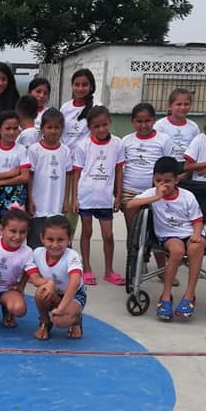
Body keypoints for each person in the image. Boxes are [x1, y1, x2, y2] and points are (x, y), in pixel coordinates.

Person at [127, 157, 205, 321]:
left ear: (177, 180)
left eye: (168, 181)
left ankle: (189, 295)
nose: (163, 184)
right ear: (153, 180)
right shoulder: (152, 193)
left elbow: (197, 220)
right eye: (158, 180)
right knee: (177, 251)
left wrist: (197, 234)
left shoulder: (187, 196)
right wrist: (156, 198)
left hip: (190, 231)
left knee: (196, 247)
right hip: (169, 235)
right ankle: (166, 294)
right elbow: (130, 204)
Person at [72, 105, 125, 285]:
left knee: (108, 235)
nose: (101, 129)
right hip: (86, 196)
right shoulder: (83, 146)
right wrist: (75, 198)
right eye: (96, 126)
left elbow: (119, 170)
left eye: (104, 125)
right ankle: (86, 269)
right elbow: (77, 173)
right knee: (86, 232)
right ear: (90, 127)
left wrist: (118, 195)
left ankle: (109, 271)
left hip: (105, 198)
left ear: (110, 122)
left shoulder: (117, 144)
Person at [121, 103, 173, 251]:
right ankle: (133, 261)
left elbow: (168, 166)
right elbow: (119, 168)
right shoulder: (126, 141)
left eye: (147, 121)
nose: (143, 125)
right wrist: (117, 193)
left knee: (157, 231)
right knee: (133, 231)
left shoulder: (164, 140)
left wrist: (163, 189)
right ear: (132, 121)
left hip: (156, 192)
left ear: (154, 120)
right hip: (130, 191)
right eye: (139, 121)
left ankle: (161, 262)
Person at [27, 215, 87, 340]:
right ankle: (45, 322)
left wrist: (61, 308)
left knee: (60, 321)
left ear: (69, 239)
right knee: (41, 293)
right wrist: (48, 282)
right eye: (50, 239)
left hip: (74, 294)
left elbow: (75, 282)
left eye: (60, 240)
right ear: (42, 238)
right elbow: (31, 275)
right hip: (54, 292)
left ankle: (76, 319)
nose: (55, 245)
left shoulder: (72, 256)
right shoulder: (37, 253)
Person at [27, 108, 74, 248]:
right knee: (36, 243)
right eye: (49, 127)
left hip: (57, 204)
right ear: (42, 129)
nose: (53, 131)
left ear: (62, 129)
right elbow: (30, 176)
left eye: (57, 127)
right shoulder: (34, 149)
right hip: (38, 206)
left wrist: (66, 200)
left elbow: (69, 175)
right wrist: (30, 199)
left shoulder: (65, 151)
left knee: (57, 243)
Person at [0, 111, 31, 232]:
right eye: (8, 128)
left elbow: (25, 177)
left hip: (15, 195)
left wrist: (0, 182)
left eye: (15, 128)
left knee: (14, 228)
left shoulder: (21, 150)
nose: (12, 132)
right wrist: (11, 173)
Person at [154, 88, 200, 163]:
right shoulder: (160, 126)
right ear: (169, 106)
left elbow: (196, 150)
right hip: (166, 165)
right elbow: (155, 149)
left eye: (186, 104)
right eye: (179, 104)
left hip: (187, 165)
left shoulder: (194, 127)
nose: (183, 107)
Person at [59, 69, 94, 150]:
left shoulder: (96, 107)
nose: (80, 88)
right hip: (66, 154)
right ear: (72, 86)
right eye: (77, 85)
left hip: (86, 154)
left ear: (91, 87)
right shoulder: (65, 107)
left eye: (84, 85)